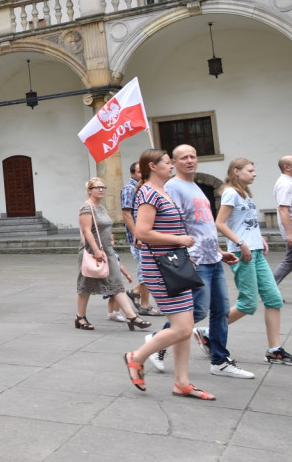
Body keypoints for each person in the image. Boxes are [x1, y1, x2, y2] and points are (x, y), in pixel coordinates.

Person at [123, 149, 214, 400]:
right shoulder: (148, 194)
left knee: (183, 327)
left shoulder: (164, 191)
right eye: (167, 162)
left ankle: (182, 382)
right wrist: (179, 239)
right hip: (161, 267)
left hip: (176, 265)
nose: (172, 165)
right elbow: (142, 232)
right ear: (153, 166)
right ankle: (136, 357)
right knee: (183, 328)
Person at [162, 145, 253, 378]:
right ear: (174, 162)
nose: (190, 160)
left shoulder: (195, 186)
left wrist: (219, 251)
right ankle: (156, 342)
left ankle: (220, 361)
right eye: (184, 158)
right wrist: (187, 255)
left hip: (211, 257)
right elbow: (177, 224)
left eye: (193, 156)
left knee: (221, 311)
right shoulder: (173, 186)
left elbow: (203, 225)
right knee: (197, 310)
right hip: (196, 259)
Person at [216, 158, 292, 365]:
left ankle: (274, 350)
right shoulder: (231, 192)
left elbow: (245, 223)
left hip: (255, 251)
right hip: (243, 254)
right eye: (250, 170)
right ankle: (208, 333)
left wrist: (259, 238)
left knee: (274, 299)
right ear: (236, 172)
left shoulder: (245, 193)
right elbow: (220, 224)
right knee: (247, 303)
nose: (255, 173)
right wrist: (241, 243)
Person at [74, 177, 151, 331]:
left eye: (103, 187)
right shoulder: (86, 208)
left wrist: (109, 237)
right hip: (92, 252)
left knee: (116, 283)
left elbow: (102, 227)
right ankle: (80, 317)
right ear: (89, 190)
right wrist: (96, 250)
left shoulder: (101, 207)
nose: (101, 190)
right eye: (97, 187)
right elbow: (87, 231)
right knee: (85, 286)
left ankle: (131, 316)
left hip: (107, 251)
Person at [122, 162, 161, 316]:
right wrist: (137, 235)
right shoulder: (129, 188)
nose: (142, 174)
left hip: (149, 236)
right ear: (132, 174)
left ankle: (136, 292)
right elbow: (127, 213)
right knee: (146, 272)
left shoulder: (146, 188)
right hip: (139, 238)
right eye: (139, 172)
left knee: (149, 270)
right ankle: (145, 305)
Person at [273, 155, 292, 285]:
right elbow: (283, 209)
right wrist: (290, 233)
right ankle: (268, 289)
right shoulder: (285, 184)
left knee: (289, 262)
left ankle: (269, 289)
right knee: (288, 262)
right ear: (287, 167)